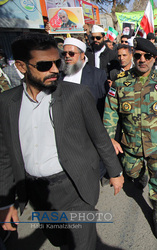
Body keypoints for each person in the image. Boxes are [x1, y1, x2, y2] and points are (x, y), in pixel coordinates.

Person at [0, 33, 124, 249]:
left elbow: (99, 136)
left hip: (75, 187)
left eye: (57, 62)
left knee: (80, 245)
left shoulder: (77, 94)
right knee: (60, 241)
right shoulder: (6, 103)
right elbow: (4, 156)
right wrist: (7, 201)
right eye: (44, 65)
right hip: (38, 194)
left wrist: (115, 172)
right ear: (21, 66)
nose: (55, 70)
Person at [103, 38, 157, 240]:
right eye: (138, 55)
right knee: (132, 171)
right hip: (130, 144)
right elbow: (110, 112)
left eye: (147, 56)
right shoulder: (120, 82)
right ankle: (140, 174)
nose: (142, 59)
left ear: (154, 58)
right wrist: (110, 138)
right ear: (133, 56)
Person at [60, 37, 108, 117]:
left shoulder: (97, 75)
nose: (67, 56)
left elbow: (104, 104)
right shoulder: (60, 75)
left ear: (82, 55)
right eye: (64, 54)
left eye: (71, 53)